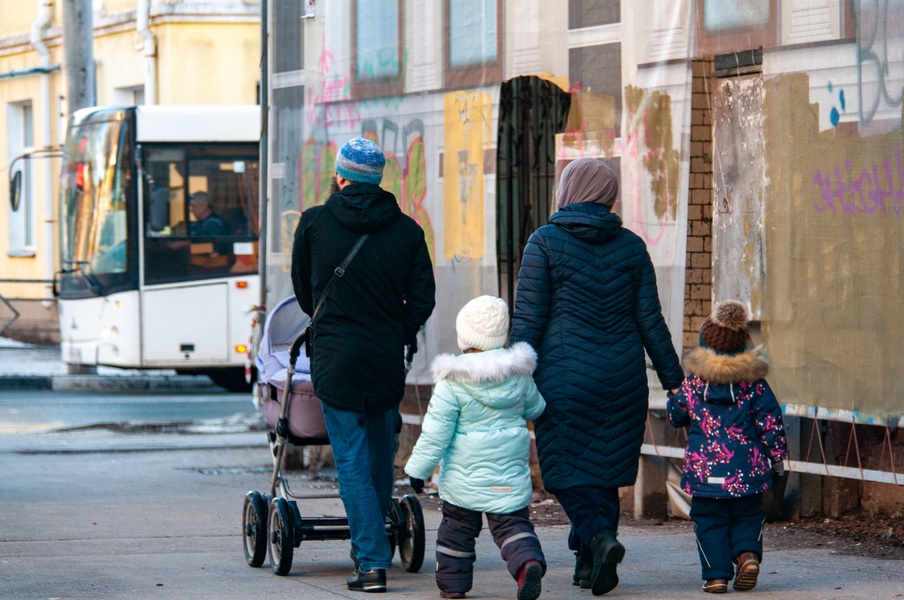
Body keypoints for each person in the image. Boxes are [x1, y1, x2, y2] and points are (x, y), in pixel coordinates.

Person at [508, 157, 684, 596]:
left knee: (566, 473)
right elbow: (651, 321)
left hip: (564, 380)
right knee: (603, 470)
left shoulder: (544, 243)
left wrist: (511, 374)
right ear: (607, 195)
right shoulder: (632, 246)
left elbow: (528, 319)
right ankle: (588, 563)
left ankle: (600, 540)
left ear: (567, 190)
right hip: (624, 378)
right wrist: (675, 378)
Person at [291, 137, 436, 593]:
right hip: (385, 357)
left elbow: (304, 291)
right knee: (377, 457)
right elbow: (424, 299)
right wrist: (397, 329)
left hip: (336, 357)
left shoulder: (314, 223)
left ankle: (371, 561)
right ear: (378, 180)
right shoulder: (408, 230)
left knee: (351, 459)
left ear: (340, 176)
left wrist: (332, 320)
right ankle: (373, 550)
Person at [405, 295, 547, 600]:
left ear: (464, 336)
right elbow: (536, 408)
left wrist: (418, 471)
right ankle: (527, 565)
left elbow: (435, 433)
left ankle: (453, 589)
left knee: (456, 530)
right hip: (508, 475)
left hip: (463, 480)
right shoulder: (519, 373)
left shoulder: (454, 379)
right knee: (512, 526)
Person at [666, 300, 787, 594]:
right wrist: (778, 459)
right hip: (747, 470)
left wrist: (674, 397)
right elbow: (771, 424)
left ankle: (716, 576)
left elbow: (675, 416)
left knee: (708, 520)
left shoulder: (694, 384)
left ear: (706, 344)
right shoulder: (755, 385)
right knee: (747, 515)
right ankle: (747, 555)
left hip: (705, 472)